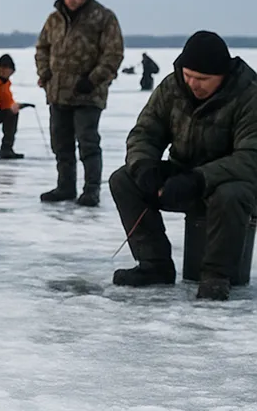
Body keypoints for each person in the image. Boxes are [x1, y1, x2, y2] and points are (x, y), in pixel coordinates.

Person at [109, 31, 257, 301]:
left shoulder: (249, 95)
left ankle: (216, 276)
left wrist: (199, 178)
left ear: (222, 75)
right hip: (183, 175)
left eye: (202, 79)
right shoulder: (172, 87)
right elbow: (144, 133)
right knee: (123, 179)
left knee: (231, 194)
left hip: (234, 185)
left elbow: (250, 158)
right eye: (188, 75)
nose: (193, 84)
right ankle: (154, 265)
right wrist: (144, 166)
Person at [35, 0, 124, 206]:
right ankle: (65, 186)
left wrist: (93, 79)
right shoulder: (54, 19)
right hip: (58, 93)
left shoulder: (103, 18)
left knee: (88, 142)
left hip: (88, 94)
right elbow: (42, 48)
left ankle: (91, 189)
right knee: (61, 143)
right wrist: (44, 73)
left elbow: (113, 54)